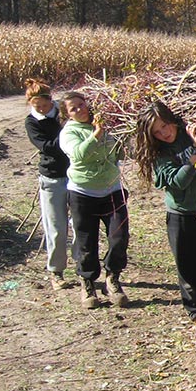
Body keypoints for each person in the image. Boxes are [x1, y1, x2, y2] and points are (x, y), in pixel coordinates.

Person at [134, 101, 196, 351]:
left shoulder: (195, 131)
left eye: (166, 126)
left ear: (174, 120)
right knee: (189, 271)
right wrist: (194, 157)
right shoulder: (157, 153)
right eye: (157, 132)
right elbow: (178, 183)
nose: (164, 133)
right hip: (182, 215)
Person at [58, 90, 130, 309]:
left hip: (112, 190)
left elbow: (119, 153)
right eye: (74, 108)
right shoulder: (69, 133)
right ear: (68, 114)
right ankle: (88, 283)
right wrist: (96, 135)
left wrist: (124, 140)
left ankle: (112, 279)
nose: (80, 110)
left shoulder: (105, 126)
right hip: (82, 193)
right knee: (86, 242)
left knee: (119, 237)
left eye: (82, 104)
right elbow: (79, 154)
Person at [23, 79, 70, 290]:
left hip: (75, 175)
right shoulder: (32, 122)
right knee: (56, 228)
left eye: (44, 105)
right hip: (52, 178)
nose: (41, 109)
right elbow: (47, 147)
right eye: (36, 106)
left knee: (79, 226)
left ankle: (83, 270)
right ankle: (56, 271)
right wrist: (70, 134)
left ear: (51, 100)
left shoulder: (64, 112)